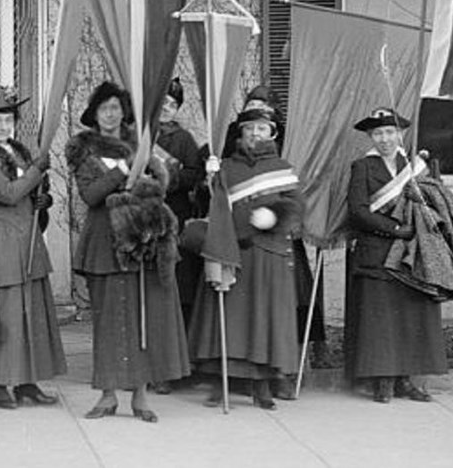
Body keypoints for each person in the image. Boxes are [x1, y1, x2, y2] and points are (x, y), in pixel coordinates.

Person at [67, 81, 187, 423]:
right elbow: (91, 195)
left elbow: (168, 180)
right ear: (95, 114)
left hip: (140, 241)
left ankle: (140, 395)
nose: (110, 114)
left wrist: (149, 176)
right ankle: (107, 395)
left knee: (141, 320)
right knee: (107, 322)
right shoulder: (83, 149)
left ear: (124, 112)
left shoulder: (143, 143)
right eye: (104, 108)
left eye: (116, 108)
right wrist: (123, 170)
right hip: (103, 243)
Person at [188, 108, 303, 410]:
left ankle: (261, 385)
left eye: (262, 128)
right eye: (249, 128)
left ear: (272, 133)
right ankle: (219, 381)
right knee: (224, 320)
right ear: (240, 134)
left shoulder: (283, 168)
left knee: (261, 323)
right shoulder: (225, 167)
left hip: (267, 254)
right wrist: (208, 181)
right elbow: (205, 207)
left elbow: (297, 207)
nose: (255, 134)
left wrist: (275, 215)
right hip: (229, 250)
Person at [0, 88, 66, 408]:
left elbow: (31, 191)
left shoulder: (19, 151)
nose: (2, 126)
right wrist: (38, 171)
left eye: (7, 119)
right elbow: (7, 193)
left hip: (29, 238)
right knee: (7, 314)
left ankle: (27, 381)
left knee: (31, 313)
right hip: (4, 237)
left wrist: (45, 197)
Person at [345, 108, 445, 403]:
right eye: (378, 134)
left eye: (390, 132)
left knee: (410, 316)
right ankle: (383, 380)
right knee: (381, 319)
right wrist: (393, 229)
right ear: (370, 137)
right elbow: (358, 210)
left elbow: (433, 202)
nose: (384, 139)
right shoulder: (363, 167)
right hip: (377, 251)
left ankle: (406, 380)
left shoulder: (413, 166)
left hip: (411, 252)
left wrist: (414, 223)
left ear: (400, 135)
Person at [155, 78, 204, 342]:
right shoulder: (141, 134)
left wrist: (168, 179)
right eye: (162, 102)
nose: (166, 108)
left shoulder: (183, 139)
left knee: (178, 283)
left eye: (172, 104)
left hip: (176, 213)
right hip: (147, 215)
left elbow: (194, 174)